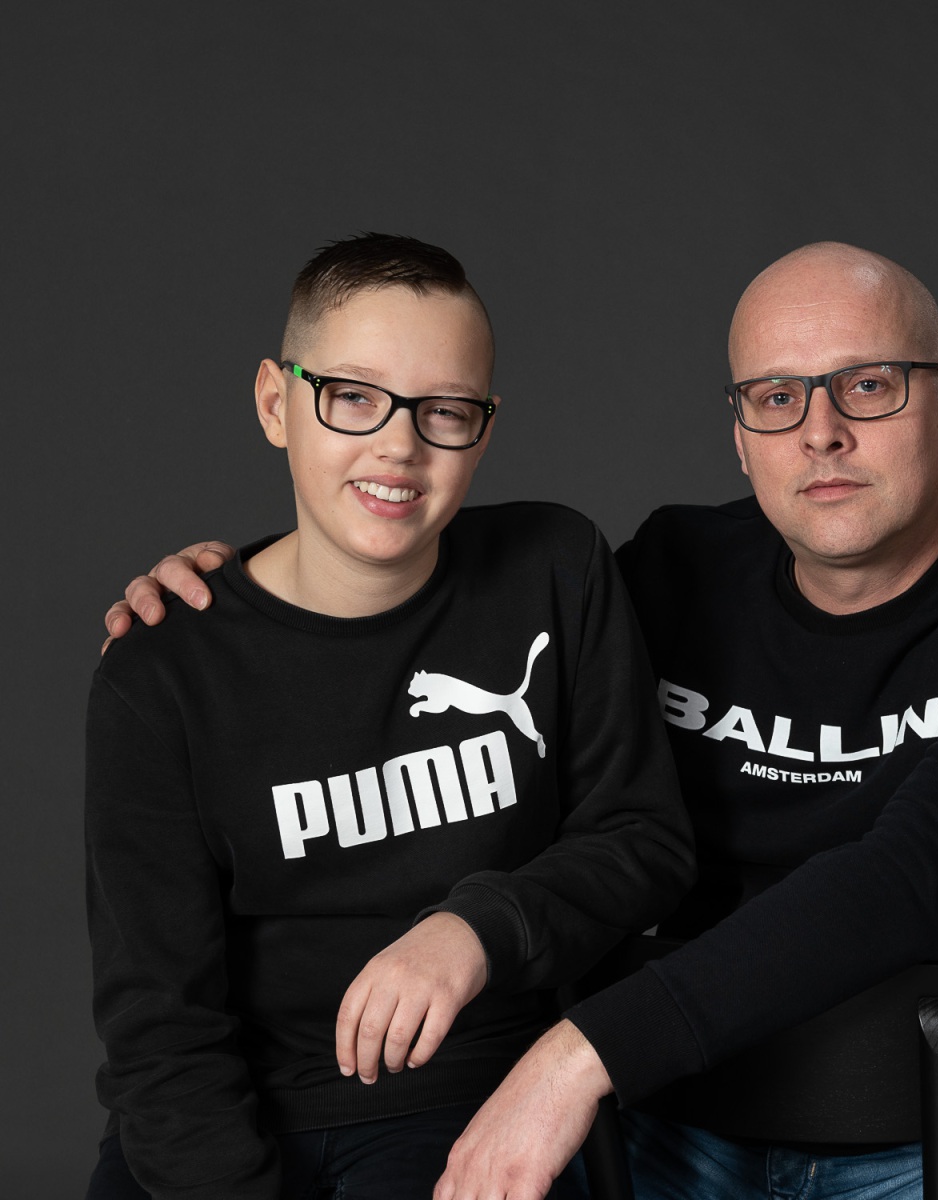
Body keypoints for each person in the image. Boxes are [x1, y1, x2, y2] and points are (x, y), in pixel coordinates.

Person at [109, 242, 938, 1200]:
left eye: (870, 385)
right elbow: (412, 608)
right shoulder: (667, 572)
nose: (821, 432)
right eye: (777, 397)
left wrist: (577, 1057)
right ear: (740, 437)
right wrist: (235, 595)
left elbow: (915, 877)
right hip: (669, 1131)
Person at [85, 232, 694, 1200]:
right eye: (354, 397)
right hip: (218, 1113)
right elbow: (159, 1026)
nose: (399, 446)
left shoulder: (554, 569)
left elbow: (642, 839)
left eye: (443, 409)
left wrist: (474, 930)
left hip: (466, 1102)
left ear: (483, 429)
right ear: (276, 404)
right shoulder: (162, 667)